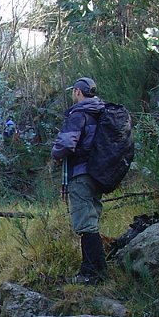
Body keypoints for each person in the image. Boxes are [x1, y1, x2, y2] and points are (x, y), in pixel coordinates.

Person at [51, 77, 108, 284]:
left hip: (81, 173)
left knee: (85, 223)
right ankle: (98, 270)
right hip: (98, 173)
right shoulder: (102, 112)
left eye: (73, 91)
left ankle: (91, 273)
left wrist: (55, 155)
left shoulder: (79, 113)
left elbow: (67, 143)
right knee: (91, 220)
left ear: (77, 91)